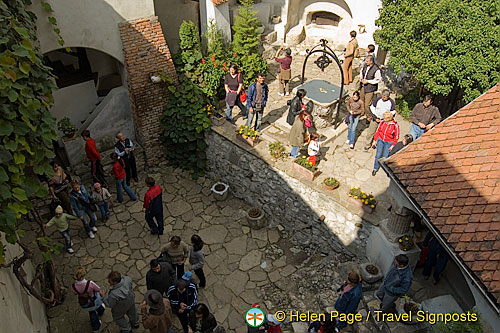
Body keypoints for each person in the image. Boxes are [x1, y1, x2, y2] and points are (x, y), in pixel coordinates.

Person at [72, 267, 106, 333]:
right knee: (98, 307)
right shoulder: (90, 283)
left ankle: (95, 328)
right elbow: (98, 289)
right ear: (84, 275)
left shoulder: (74, 286)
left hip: (85, 303)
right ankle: (100, 314)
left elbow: (74, 293)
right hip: (94, 301)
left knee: (91, 313)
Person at [359, 55, 381, 123]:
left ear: (371, 62)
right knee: (361, 100)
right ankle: (361, 112)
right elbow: (362, 71)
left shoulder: (376, 69)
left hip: (370, 88)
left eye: (367, 61)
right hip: (363, 86)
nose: (366, 62)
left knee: (367, 104)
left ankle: (369, 116)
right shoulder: (365, 66)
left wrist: (368, 81)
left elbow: (378, 80)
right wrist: (361, 77)